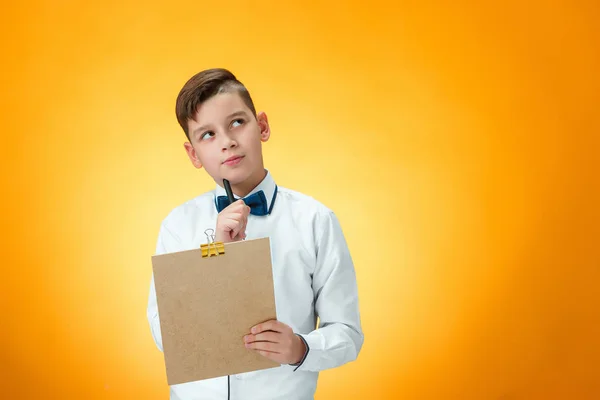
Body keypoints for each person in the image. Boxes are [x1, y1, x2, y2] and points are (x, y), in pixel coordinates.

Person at [147, 68, 363, 400]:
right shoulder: (178, 226)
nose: (227, 142)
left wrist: (301, 347)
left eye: (237, 122)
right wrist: (215, 253)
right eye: (207, 135)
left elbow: (347, 332)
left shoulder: (315, 220)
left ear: (261, 126)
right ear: (193, 154)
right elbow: (166, 334)